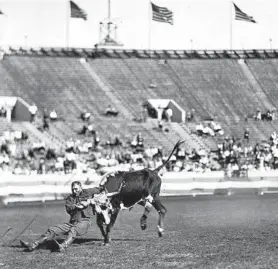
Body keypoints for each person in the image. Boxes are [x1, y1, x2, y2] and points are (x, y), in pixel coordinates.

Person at [20, 181, 101, 252]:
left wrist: (92, 200)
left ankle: (63, 246)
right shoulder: (70, 199)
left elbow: (102, 189)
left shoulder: (89, 192)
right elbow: (69, 209)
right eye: (72, 189)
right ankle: (34, 244)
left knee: (73, 230)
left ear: (81, 187)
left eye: (76, 189)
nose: (74, 191)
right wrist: (79, 205)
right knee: (52, 230)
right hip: (72, 222)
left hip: (84, 222)